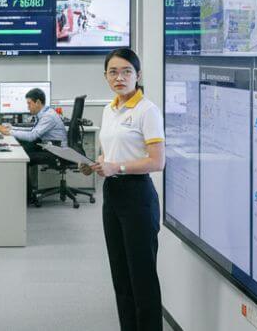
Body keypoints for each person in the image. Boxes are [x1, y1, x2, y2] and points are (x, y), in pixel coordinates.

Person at [79, 48, 165, 331]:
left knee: (142, 278)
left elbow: (157, 161)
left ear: (138, 75)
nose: (119, 77)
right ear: (105, 76)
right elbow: (110, 153)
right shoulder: (109, 109)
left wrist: (117, 167)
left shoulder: (147, 111)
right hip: (112, 195)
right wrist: (96, 164)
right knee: (121, 276)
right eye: (113, 72)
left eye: (126, 71)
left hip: (138, 196)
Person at [0, 88, 67, 202]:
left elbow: (31, 136)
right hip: (49, 146)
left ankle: (27, 197)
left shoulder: (48, 116)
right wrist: (12, 128)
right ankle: (24, 192)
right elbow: (32, 130)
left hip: (56, 152)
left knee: (22, 158)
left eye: (29, 103)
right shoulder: (45, 113)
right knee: (23, 150)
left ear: (37, 102)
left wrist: (9, 132)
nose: (28, 107)